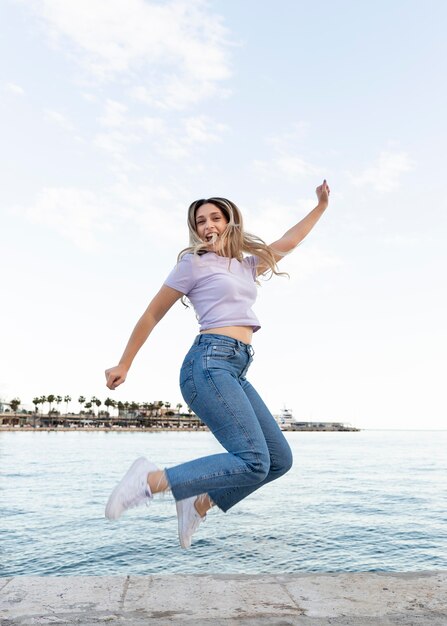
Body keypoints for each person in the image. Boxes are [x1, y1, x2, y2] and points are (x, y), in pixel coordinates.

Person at [104, 180, 330, 549]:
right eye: (200, 221)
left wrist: (320, 207)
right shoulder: (193, 264)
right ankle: (151, 481)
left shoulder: (246, 265)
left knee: (277, 460)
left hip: (237, 367)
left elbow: (290, 240)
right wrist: (124, 363)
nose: (207, 225)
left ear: (230, 221)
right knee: (253, 460)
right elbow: (151, 314)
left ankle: (201, 502)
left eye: (215, 218)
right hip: (208, 362)